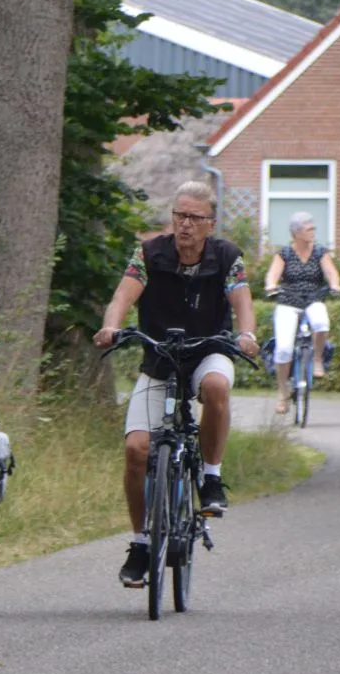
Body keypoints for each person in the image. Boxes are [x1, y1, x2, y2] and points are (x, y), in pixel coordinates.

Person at [94, 181, 258, 588]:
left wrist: (247, 334)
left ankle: (211, 477)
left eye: (194, 218)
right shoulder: (150, 253)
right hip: (160, 358)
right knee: (136, 450)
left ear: (210, 223)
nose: (185, 224)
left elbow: (242, 299)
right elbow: (122, 296)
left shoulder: (227, 256)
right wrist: (111, 326)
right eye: (179, 215)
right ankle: (141, 543)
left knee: (217, 386)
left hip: (207, 351)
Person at [264, 211, 340, 414]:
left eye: (313, 228)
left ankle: (317, 359)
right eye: (309, 229)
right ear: (296, 233)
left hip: (313, 299)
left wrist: (335, 285)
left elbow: (331, 272)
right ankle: (282, 392)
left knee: (321, 323)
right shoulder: (284, 254)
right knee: (283, 349)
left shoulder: (320, 252)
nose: (313, 232)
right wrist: (271, 286)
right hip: (288, 301)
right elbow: (272, 275)